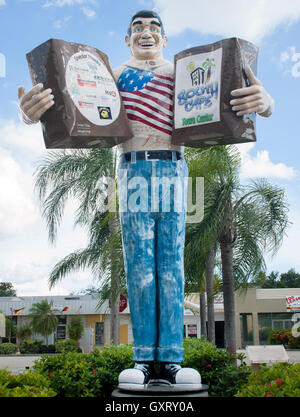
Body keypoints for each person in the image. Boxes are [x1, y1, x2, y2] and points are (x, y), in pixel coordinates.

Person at [18, 10, 274, 391]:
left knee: (170, 266)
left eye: (155, 27)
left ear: (165, 39)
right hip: (130, 169)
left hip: (174, 169)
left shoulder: (189, 74)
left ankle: (171, 359)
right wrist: (31, 114)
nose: (147, 33)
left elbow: (241, 103)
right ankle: (142, 357)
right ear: (126, 39)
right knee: (140, 268)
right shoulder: (110, 77)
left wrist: (265, 102)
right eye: (137, 27)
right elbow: (70, 106)